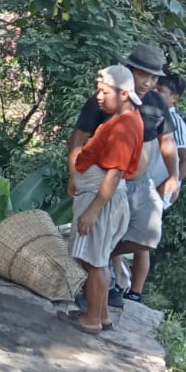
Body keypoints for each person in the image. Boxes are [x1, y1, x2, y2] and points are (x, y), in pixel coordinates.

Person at [67, 42, 179, 306]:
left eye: (154, 77)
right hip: (107, 181)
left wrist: (174, 175)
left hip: (139, 183)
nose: (148, 82)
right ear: (130, 70)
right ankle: (94, 297)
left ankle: (102, 270)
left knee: (146, 237)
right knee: (97, 241)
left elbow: (167, 141)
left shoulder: (155, 103)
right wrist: (73, 175)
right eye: (142, 75)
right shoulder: (105, 100)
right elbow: (77, 138)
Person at [66, 65, 143, 334]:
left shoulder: (126, 126)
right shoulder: (123, 119)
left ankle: (92, 320)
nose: (98, 97)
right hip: (99, 197)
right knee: (98, 257)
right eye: (98, 91)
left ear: (123, 94)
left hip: (102, 201)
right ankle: (103, 315)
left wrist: (92, 211)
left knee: (94, 261)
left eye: (104, 92)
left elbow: (115, 173)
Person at [156, 72, 186, 184]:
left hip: (157, 190)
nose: (154, 93)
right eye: (154, 89)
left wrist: (165, 188)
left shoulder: (174, 121)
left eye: (160, 91)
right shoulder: (154, 115)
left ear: (174, 98)